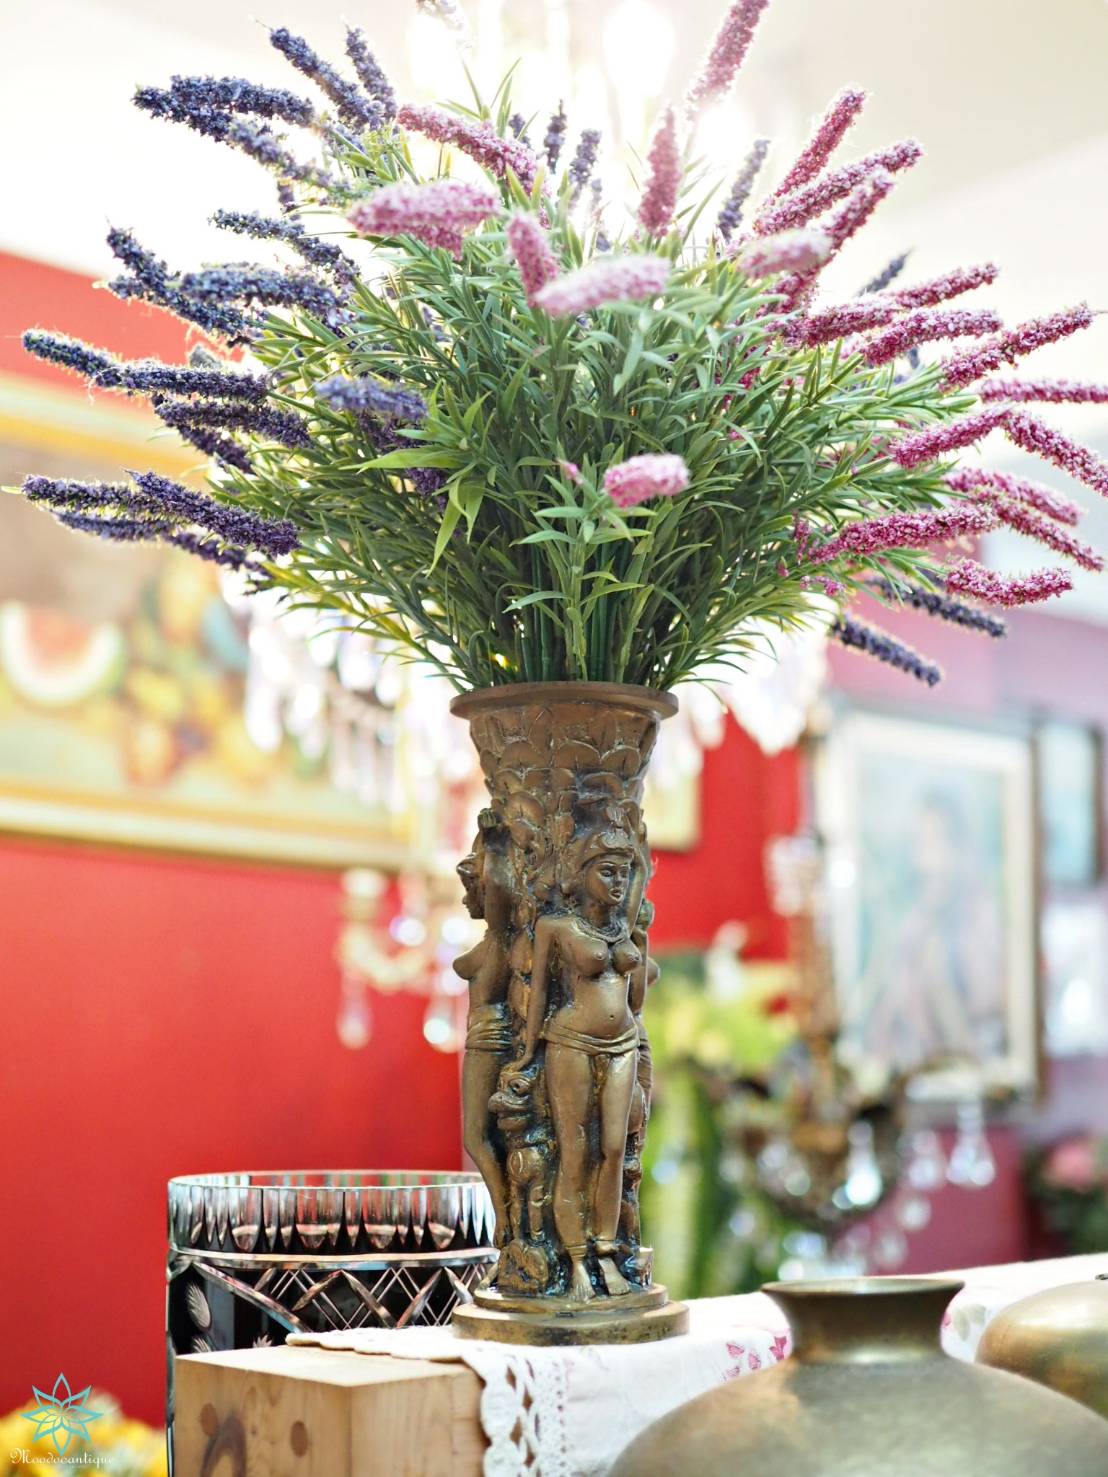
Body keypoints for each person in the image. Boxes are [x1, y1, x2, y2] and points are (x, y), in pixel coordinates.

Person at [511, 828, 643, 1302]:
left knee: (613, 1148)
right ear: (581, 874)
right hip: (570, 1040)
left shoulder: (624, 927)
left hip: (622, 1043)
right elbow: (540, 996)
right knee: (576, 1149)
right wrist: (528, 1053)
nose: (617, 882)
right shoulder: (556, 927)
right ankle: (576, 1259)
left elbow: (638, 992)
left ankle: (606, 1250)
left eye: (622, 874)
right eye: (606, 872)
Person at [454, 811, 515, 1247]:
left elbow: (498, 892)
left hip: (488, 1043)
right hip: (486, 1041)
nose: (464, 901)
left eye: (469, 889)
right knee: (481, 1135)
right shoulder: (497, 943)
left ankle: (504, 1215)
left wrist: (492, 845)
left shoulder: (500, 939)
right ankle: (505, 1211)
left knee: (477, 1135)